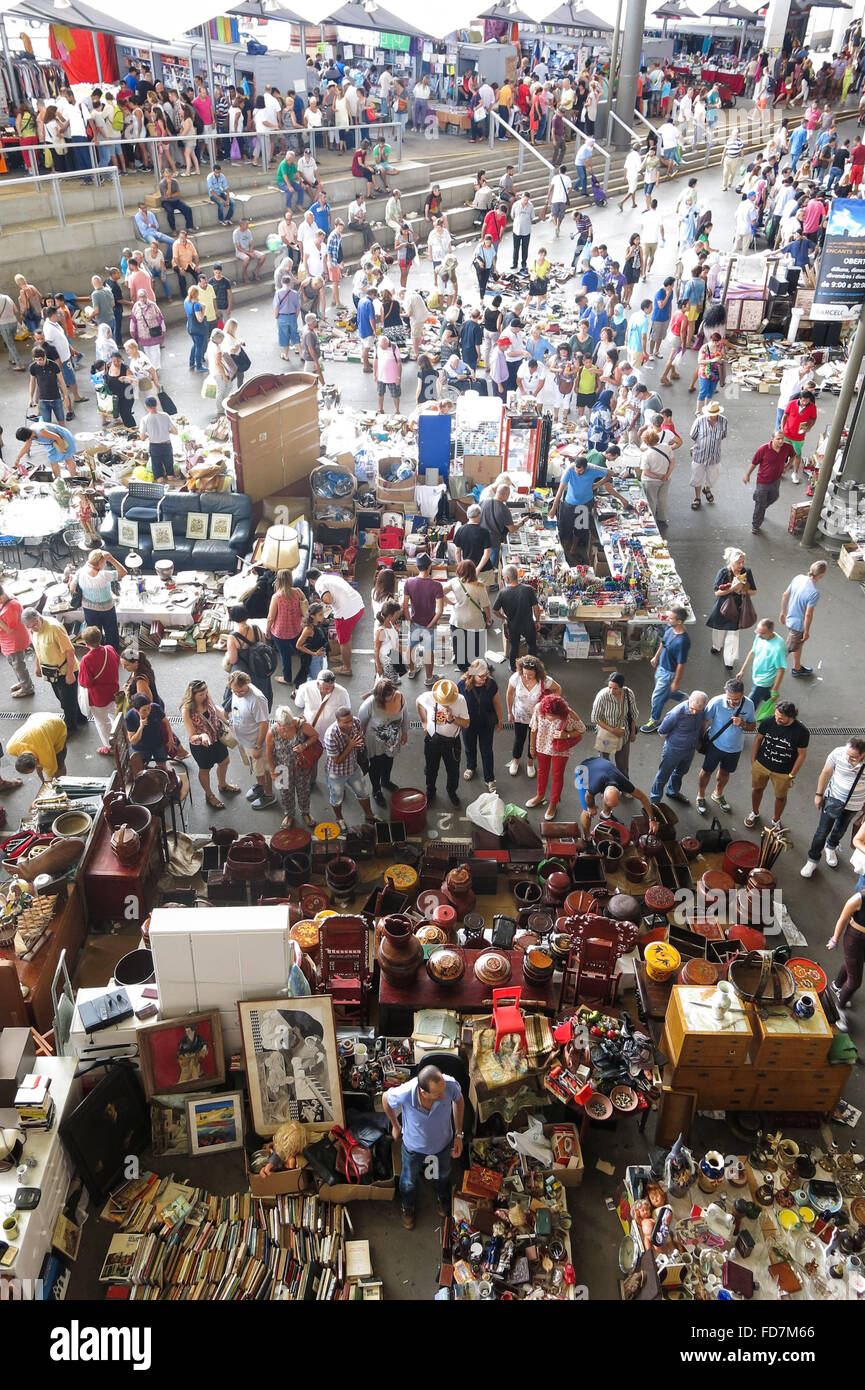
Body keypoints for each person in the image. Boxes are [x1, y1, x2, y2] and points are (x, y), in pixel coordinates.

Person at [383, 1065, 465, 1230]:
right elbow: (385, 1099)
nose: (443, 1095)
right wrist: (395, 1126)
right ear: (423, 1092)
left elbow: (459, 1099)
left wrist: (458, 1134)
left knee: (443, 1174)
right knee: (408, 1182)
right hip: (414, 1147)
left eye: (443, 1090)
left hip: (443, 1144)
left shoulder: (448, 1084)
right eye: (438, 1094)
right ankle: (408, 1205)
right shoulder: (405, 1093)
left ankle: (442, 1196)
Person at [548, 451, 629, 564]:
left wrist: (597, 484)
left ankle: (573, 550)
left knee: (579, 528)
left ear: (586, 468)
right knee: (564, 529)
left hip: (585, 503)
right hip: (569, 504)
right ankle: (564, 552)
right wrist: (553, 509)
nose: (578, 473)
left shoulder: (593, 468)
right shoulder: (570, 470)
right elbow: (560, 490)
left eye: (581, 471)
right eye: (577, 470)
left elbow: (610, 473)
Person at [801, 739, 865, 879]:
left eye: (853, 757)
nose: (848, 759)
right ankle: (812, 860)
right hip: (832, 799)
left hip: (854, 805)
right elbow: (825, 772)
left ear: (863, 755)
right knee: (822, 831)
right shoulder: (838, 753)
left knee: (841, 828)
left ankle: (831, 846)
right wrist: (818, 794)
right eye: (847, 754)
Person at [695, 678, 757, 816]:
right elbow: (704, 721)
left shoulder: (749, 705)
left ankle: (718, 794)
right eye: (730, 698)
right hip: (715, 745)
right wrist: (699, 741)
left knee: (725, 773)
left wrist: (743, 724)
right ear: (725, 692)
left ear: (742, 695)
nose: (732, 703)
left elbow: (753, 725)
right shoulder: (716, 702)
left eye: (736, 700)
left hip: (735, 748)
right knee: (706, 771)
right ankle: (700, 795)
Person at [746, 699, 809, 830]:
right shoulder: (768, 721)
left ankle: (776, 820)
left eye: (780, 718)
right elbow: (758, 739)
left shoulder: (801, 732)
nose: (776, 720)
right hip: (762, 765)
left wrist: (792, 774)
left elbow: (802, 755)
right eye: (776, 716)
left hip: (783, 772)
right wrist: (753, 760)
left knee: (780, 797)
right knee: (757, 790)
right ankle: (754, 812)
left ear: (791, 717)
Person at [22, 608, 86, 734]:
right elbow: (38, 648)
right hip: (50, 672)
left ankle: (70, 728)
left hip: (64, 671)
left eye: (35, 625)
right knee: (64, 698)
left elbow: (70, 650)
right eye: (30, 627)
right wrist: (37, 666)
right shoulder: (33, 630)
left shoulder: (54, 628)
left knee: (67, 702)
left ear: (39, 618)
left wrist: (70, 673)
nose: (33, 629)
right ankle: (80, 718)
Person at [180, 678, 238, 810]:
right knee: (205, 769)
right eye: (200, 695)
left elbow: (216, 711)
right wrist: (202, 736)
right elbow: (192, 736)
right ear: (192, 695)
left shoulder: (206, 698)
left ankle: (222, 785)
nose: (204, 696)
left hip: (216, 738)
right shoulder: (187, 710)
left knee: (224, 761)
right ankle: (209, 794)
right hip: (201, 746)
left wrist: (228, 723)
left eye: (205, 693)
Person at [527, 694, 586, 821]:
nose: (551, 718)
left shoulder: (569, 713)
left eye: (555, 716)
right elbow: (533, 729)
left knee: (557, 775)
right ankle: (540, 795)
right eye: (548, 715)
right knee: (542, 772)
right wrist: (532, 748)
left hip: (560, 750)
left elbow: (582, 729)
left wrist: (567, 736)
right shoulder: (538, 709)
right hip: (542, 746)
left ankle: (553, 803)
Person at [650, 690, 709, 805]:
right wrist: (675, 741)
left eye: (698, 710)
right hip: (673, 750)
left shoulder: (701, 712)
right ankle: (655, 801)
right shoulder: (676, 713)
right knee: (663, 775)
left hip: (690, 749)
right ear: (689, 701)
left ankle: (673, 791)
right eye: (692, 709)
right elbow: (662, 731)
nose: (694, 712)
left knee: (680, 772)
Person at [416, 678, 469, 808]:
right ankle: (430, 792)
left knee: (453, 771)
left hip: (452, 743)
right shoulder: (429, 697)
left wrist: (452, 719)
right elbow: (418, 702)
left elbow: (466, 723)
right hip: (432, 740)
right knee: (431, 769)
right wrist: (423, 721)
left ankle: (451, 792)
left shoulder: (460, 700)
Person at [227, 670, 275, 810]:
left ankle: (269, 795)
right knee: (255, 768)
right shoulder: (236, 690)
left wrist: (258, 746)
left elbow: (263, 724)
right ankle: (260, 786)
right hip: (244, 740)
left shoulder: (257, 699)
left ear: (247, 683)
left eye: (240, 691)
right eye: (234, 691)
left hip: (256, 743)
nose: (237, 694)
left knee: (264, 770)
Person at [358, 678, 409, 808]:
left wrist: (404, 732)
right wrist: (362, 741)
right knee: (375, 764)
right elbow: (361, 723)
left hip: (392, 740)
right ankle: (376, 790)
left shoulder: (400, 697)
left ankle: (385, 781)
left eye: (392, 695)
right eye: (386, 697)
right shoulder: (370, 703)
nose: (390, 698)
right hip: (374, 740)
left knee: (389, 760)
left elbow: (405, 715)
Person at [266, 706, 318, 830]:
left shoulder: (301, 725)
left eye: (289, 724)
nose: (287, 728)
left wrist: (304, 745)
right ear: (278, 722)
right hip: (281, 768)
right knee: (285, 793)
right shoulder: (272, 731)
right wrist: (273, 771)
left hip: (301, 766)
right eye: (283, 726)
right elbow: (268, 752)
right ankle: (289, 815)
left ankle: (305, 812)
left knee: (304, 791)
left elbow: (315, 736)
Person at [705, 547, 757, 671]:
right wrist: (733, 589)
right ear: (731, 562)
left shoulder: (747, 572)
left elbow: (754, 591)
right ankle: (717, 646)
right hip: (722, 605)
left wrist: (742, 590)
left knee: (733, 634)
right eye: (739, 562)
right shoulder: (723, 573)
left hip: (738, 607)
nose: (741, 565)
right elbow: (717, 592)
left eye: (743, 562)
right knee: (718, 628)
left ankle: (729, 660)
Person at [641, 607, 691, 733]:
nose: (668, 619)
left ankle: (654, 720)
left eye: (671, 618)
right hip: (661, 668)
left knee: (657, 698)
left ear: (679, 621)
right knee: (665, 691)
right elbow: (663, 643)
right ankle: (686, 699)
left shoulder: (682, 641)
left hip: (669, 673)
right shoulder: (670, 628)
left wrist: (675, 682)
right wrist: (656, 657)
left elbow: (681, 664)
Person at [307, 567, 364, 678]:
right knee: (346, 637)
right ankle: (343, 655)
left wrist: (322, 602)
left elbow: (328, 600)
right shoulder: (330, 576)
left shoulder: (319, 584)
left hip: (346, 613)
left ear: (311, 581)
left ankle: (347, 667)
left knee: (344, 641)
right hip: (358, 606)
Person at [322, 708, 375, 826]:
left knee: (364, 793)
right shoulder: (331, 735)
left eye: (350, 720)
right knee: (337, 799)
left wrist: (360, 743)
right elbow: (337, 761)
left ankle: (369, 814)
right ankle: (339, 819)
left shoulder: (356, 722)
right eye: (346, 722)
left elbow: (360, 738)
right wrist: (351, 745)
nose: (350, 724)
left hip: (353, 767)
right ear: (338, 722)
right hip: (336, 773)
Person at [458, 660, 502, 792]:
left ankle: (489, 778)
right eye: (481, 676)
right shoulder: (461, 684)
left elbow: (497, 703)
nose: (485, 678)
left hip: (486, 724)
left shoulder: (491, 683)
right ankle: (471, 767)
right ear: (472, 674)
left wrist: (500, 720)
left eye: (486, 675)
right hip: (468, 724)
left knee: (487, 750)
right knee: (469, 747)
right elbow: (456, 703)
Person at [76, 625, 120, 754]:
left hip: (98, 697)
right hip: (114, 691)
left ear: (86, 642)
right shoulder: (109, 649)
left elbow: (86, 682)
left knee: (103, 723)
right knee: (115, 715)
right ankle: (121, 736)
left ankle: (110, 747)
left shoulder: (86, 659)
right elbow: (117, 662)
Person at [827, 888, 865, 1030]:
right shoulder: (859, 898)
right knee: (855, 982)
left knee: (853, 963)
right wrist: (834, 939)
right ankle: (839, 1008)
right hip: (855, 939)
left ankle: (837, 986)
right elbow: (843, 918)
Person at [780, 560, 826, 677]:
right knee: (786, 651)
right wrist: (806, 631)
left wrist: (782, 612)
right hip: (798, 625)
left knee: (797, 644)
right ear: (821, 575)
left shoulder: (798, 578)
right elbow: (808, 614)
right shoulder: (814, 592)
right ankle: (768, 671)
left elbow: (785, 594)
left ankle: (797, 667)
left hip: (790, 618)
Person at [744, 430, 796, 532]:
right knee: (760, 504)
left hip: (776, 480)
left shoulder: (787, 447)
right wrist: (747, 475)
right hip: (763, 481)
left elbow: (793, 455)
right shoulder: (763, 449)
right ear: (772, 439)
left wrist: (787, 467)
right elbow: (754, 463)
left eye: (782, 439)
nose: (781, 441)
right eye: (778, 439)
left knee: (774, 497)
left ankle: (761, 505)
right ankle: (756, 525)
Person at [445, 560, 491, 672]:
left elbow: (439, 592)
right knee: (476, 649)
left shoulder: (454, 582)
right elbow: (485, 606)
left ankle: (463, 668)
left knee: (459, 649)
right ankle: (477, 668)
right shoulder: (480, 586)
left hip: (457, 620)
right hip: (475, 621)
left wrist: (451, 603)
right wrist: (489, 618)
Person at [494, 564, 542, 671]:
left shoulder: (502, 593)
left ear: (507, 578)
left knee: (514, 647)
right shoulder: (528, 589)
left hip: (513, 625)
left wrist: (504, 617)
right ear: (517, 575)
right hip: (528, 624)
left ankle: (512, 667)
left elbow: (495, 611)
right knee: (531, 645)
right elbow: (536, 607)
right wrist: (537, 621)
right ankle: (532, 666)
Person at [77, 548, 126, 652]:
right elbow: (123, 572)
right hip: (106, 609)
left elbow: (72, 587)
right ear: (101, 562)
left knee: (94, 634)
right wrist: (112, 559)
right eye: (104, 562)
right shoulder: (104, 575)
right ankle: (112, 653)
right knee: (111, 631)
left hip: (88, 608)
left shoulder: (81, 572)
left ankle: (98, 653)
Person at [591, 672, 639, 776]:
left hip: (624, 734)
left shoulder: (628, 694)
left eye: (615, 688)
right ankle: (606, 787)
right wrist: (613, 730)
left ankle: (623, 788)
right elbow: (595, 718)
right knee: (604, 763)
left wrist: (633, 732)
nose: (612, 691)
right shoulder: (602, 696)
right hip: (606, 734)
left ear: (622, 687)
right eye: (610, 687)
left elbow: (633, 714)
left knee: (623, 765)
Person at [265, 569, 307, 687]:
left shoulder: (276, 597)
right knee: (300, 649)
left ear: (278, 580)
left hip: (280, 632)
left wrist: (267, 631)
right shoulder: (298, 592)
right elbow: (305, 604)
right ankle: (307, 670)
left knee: (285, 656)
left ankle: (287, 678)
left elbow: (270, 618)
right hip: (296, 629)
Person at [736, 617, 788, 712]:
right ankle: (778, 710)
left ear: (771, 631)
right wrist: (742, 670)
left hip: (764, 681)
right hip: (757, 676)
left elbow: (781, 669)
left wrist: (775, 690)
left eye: (762, 633)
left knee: (750, 705)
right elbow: (752, 651)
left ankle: (745, 721)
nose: (759, 635)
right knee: (766, 697)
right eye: (757, 631)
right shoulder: (760, 636)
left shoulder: (778, 648)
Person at [7, 711, 68, 784]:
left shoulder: (45, 754)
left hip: (56, 723)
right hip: (36, 718)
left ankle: (63, 783)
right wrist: (43, 781)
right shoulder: (10, 748)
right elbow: (38, 767)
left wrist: (50, 783)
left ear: (35, 760)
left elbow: (51, 773)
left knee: (59, 764)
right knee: (41, 764)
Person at [688, 401, 727, 509]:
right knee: (697, 477)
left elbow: (723, 435)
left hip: (715, 455)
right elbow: (693, 435)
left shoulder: (723, 421)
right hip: (700, 455)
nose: (711, 416)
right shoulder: (699, 421)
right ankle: (697, 498)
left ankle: (707, 489)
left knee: (713, 477)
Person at [0, 584, 34, 699]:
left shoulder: (11, 607)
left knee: (18, 665)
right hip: (9, 642)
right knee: (15, 664)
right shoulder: (6, 597)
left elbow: (9, 629)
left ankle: (27, 688)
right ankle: (24, 682)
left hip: (14, 641)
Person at [125, 693, 169, 775]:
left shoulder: (155, 707)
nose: (148, 712)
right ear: (135, 710)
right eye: (144, 710)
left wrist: (170, 739)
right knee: (140, 771)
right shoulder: (129, 717)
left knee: (162, 767)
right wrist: (141, 727)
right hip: (141, 748)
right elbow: (133, 741)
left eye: (149, 708)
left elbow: (166, 722)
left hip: (158, 744)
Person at [780, 388, 817, 484]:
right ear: (800, 399)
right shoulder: (791, 403)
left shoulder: (812, 407)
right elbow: (785, 416)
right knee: (782, 451)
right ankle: (780, 469)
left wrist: (809, 427)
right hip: (787, 433)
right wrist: (782, 429)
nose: (805, 402)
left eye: (808, 400)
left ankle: (795, 473)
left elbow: (813, 419)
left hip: (799, 436)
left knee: (797, 454)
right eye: (804, 400)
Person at [543, 165, 572, 239]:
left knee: (554, 214)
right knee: (561, 215)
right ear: (565, 171)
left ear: (559, 171)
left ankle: (556, 226)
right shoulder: (568, 178)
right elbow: (570, 189)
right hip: (563, 199)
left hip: (555, 199)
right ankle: (558, 226)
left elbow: (551, 188)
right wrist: (566, 194)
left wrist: (548, 198)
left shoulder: (555, 177)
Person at [233, 219, 266, 283]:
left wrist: (251, 252)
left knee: (263, 256)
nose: (248, 225)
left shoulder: (248, 231)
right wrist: (248, 253)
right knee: (246, 258)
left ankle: (256, 271)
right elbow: (238, 247)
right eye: (246, 224)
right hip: (240, 252)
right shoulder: (236, 233)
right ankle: (244, 273)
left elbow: (251, 244)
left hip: (249, 250)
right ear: (241, 225)